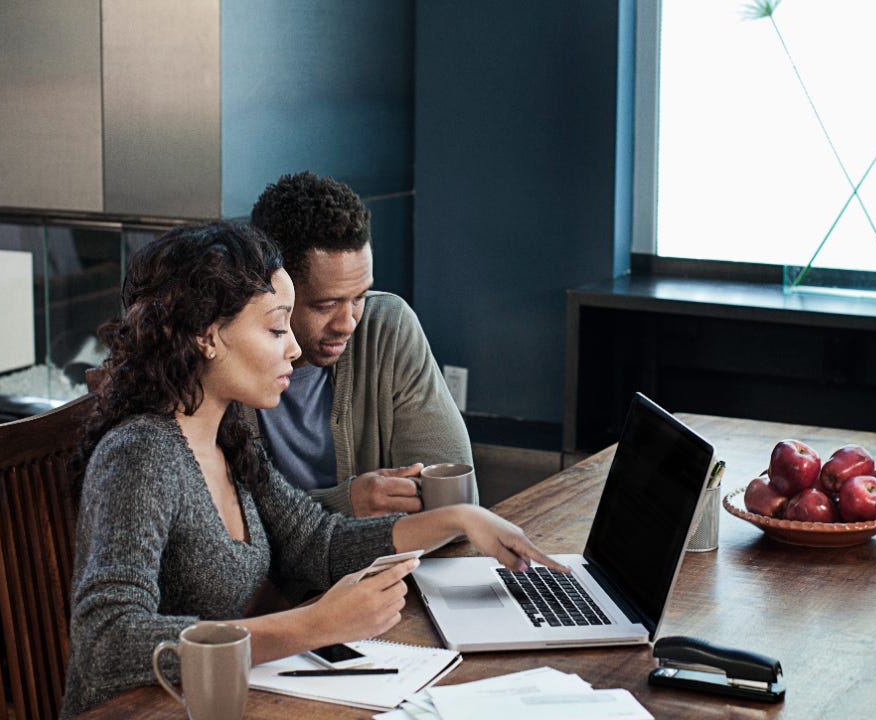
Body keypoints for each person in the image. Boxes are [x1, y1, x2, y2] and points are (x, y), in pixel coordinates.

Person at [60, 221, 562, 718]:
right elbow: (106, 642)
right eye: (277, 328)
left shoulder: (226, 433)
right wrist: (312, 625)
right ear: (207, 337)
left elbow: (315, 542)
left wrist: (458, 520)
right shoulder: (141, 455)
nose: (294, 349)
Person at [247, 171, 472, 518]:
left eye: (359, 296)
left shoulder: (387, 327)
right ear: (272, 286)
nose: (348, 322)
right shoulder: (222, 356)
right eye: (325, 305)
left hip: (385, 567)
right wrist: (345, 503)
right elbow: (222, 540)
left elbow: (452, 498)